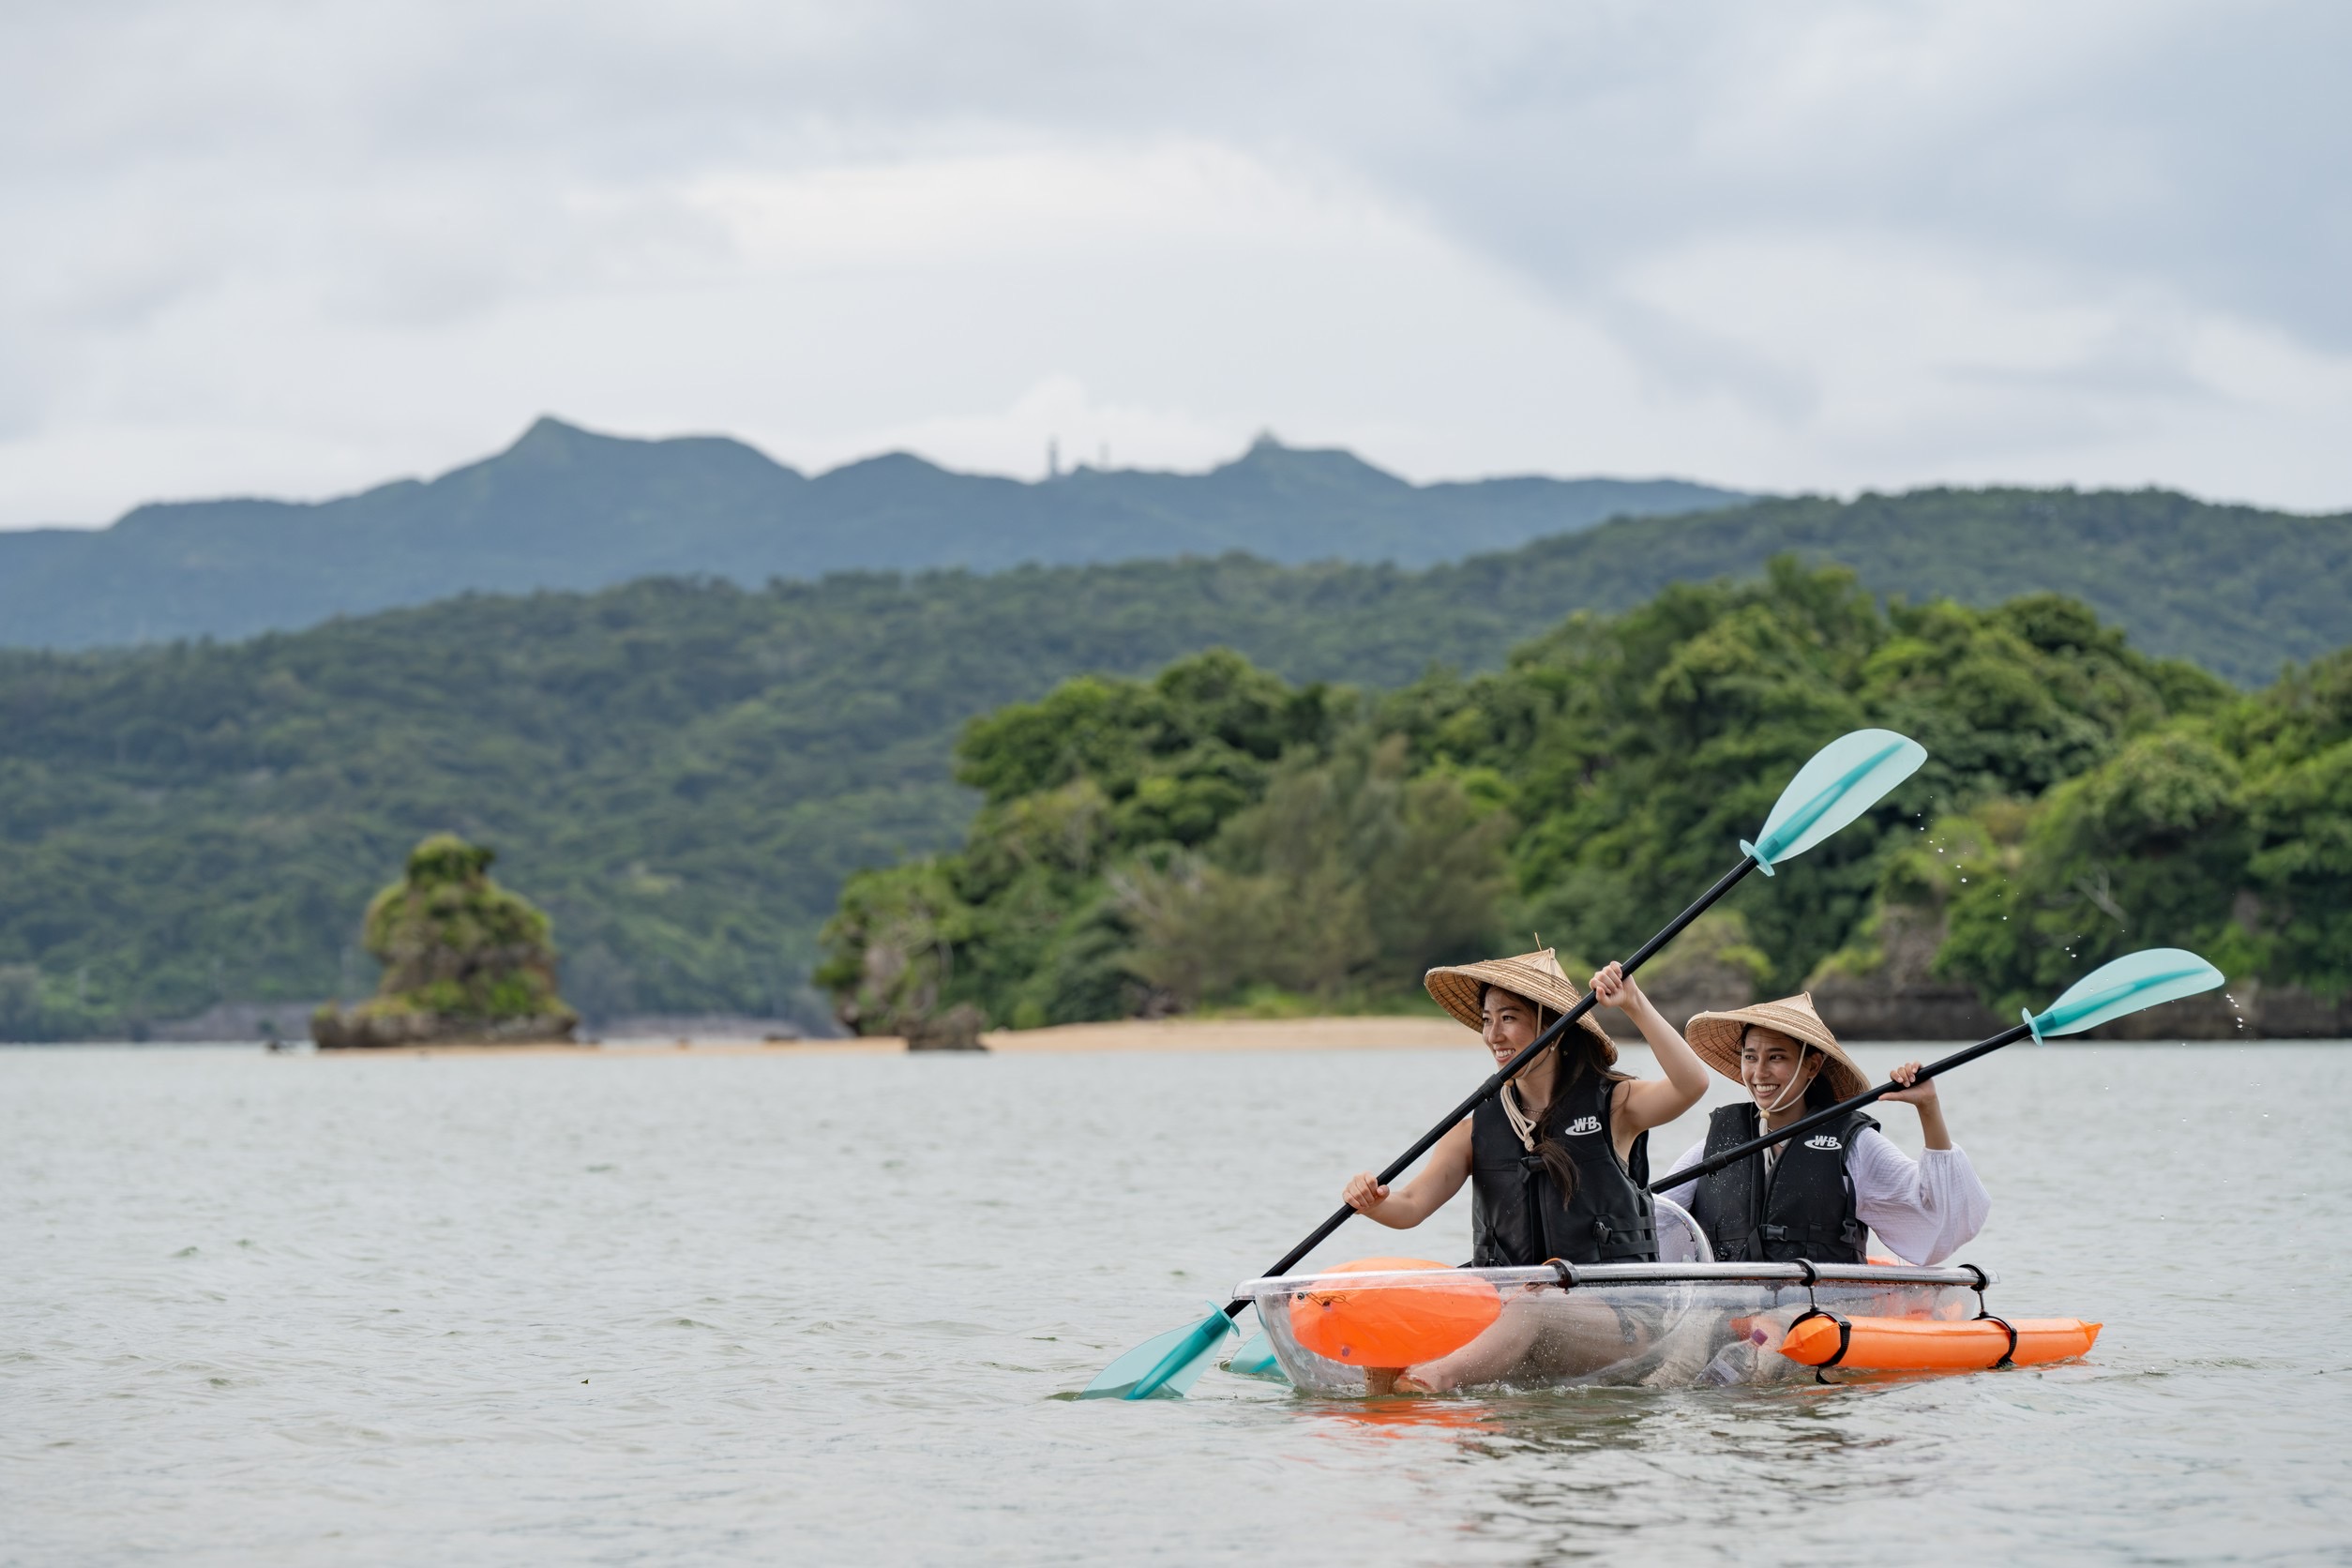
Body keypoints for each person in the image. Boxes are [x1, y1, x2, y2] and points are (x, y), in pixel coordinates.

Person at [1340, 948, 1711, 1267]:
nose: (1493, 1035)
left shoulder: (1615, 1105)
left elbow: (1691, 1084)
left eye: (1509, 1018)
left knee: (1528, 1314)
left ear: (1555, 1030)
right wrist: (1371, 1202)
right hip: (1520, 1308)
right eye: (1487, 1019)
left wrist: (1634, 1003)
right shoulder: (1472, 1131)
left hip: (1617, 1309)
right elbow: (1410, 1206)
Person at [1654, 994, 1990, 1266]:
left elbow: (1939, 1215)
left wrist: (1927, 1108)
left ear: (1811, 1066)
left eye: (1776, 1057)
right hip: (1731, 1316)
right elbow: (1656, 1217)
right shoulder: (1718, 1145)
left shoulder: (1853, 1146)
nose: (1759, 1073)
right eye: (1750, 1056)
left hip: (1820, 1317)